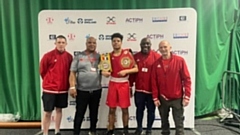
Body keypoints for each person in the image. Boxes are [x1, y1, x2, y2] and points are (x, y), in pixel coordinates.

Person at [151, 40, 191, 135]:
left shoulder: (180, 61)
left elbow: (187, 79)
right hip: (162, 98)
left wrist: (187, 96)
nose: (163, 49)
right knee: (164, 123)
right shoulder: (156, 64)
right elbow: (154, 82)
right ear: (159, 50)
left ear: (170, 47)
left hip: (177, 98)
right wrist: (155, 97)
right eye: (161, 47)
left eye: (165, 47)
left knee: (179, 123)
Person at [102, 33, 138, 135]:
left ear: (121, 42)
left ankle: (126, 130)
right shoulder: (107, 56)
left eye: (118, 41)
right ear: (111, 43)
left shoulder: (128, 54)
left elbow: (136, 68)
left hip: (124, 84)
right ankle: (110, 129)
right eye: (114, 41)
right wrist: (104, 73)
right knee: (112, 108)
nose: (116, 43)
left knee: (124, 108)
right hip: (113, 83)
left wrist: (126, 71)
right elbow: (105, 71)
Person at [40, 35, 73, 135]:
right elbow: (42, 71)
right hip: (49, 90)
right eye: (59, 42)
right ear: (55, 43)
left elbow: (71, 73)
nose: (61, 44)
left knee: (59, 110)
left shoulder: (69, 57)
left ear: (66, 44)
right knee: (47, 112)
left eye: (63, 42)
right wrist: (49, 82)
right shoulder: (48, 56)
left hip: (62, 90)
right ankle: (45, 132)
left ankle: (57, 131)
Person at [69, 37, 102, 135]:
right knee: (79, 113)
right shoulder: (79, 56)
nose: (92, 44)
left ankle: (93, 131)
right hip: (82, 90)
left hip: (96, 90)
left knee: (94, 113)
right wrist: (72, 87)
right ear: (86, 43)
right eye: (89, 43)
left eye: (94, 43)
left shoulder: (100, 57)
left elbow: (106, 69)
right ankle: (76, 132)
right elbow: (72, 73)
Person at [129, 37, 160, 135]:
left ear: (151, 45)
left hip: (151, 91)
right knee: (139, 110)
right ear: (140, 45)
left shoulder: (157, 56)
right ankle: (139, 128)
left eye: (148, 44)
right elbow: (132, 74)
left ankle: (149, 129)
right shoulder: (135, 57)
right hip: (139, 90)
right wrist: (130, 86)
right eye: (143, 44)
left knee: (151, 111)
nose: (145, 46)